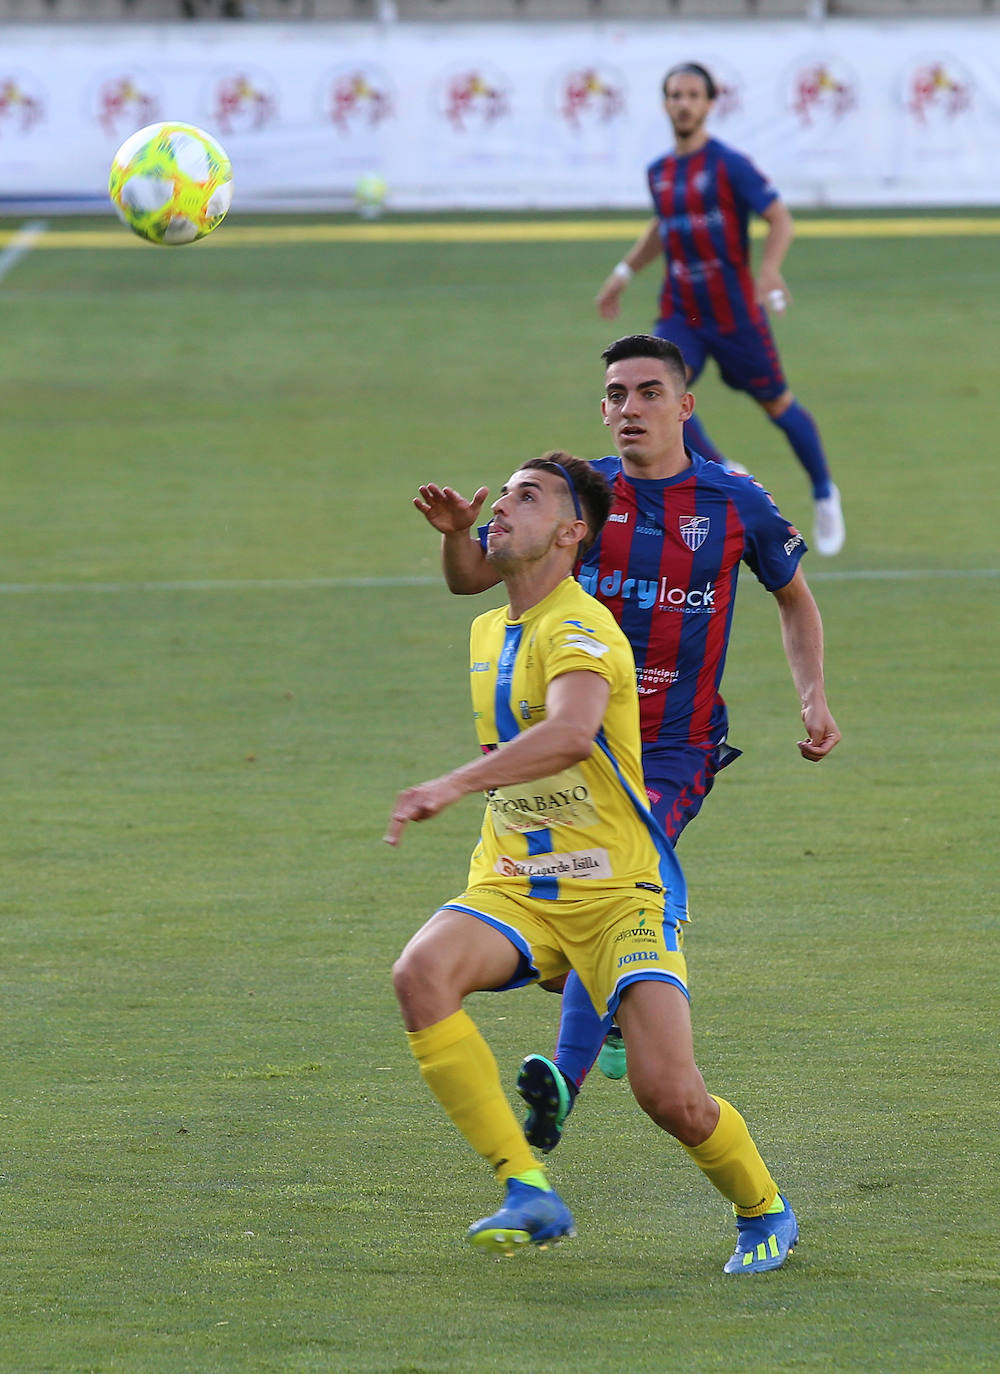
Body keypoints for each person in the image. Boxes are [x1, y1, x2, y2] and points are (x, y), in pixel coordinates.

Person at [414, 333, 840, 1154]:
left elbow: (794, 600)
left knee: (604, 879)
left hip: (673, 749)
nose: (628, 408)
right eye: (614, 395)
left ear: (686, 405)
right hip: (574, 744)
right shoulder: (573, 500)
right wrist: (459, 534)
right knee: (583, 903)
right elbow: (474, 578)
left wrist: (813, 696)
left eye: (648, 392)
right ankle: (619, 1003)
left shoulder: (734, 502)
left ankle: (559, 1091)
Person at [390, 451, 799, 1274]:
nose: (504, 505)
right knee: (419, 975)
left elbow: (574, 732)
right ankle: (526, 1189)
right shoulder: (492, 625)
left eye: (527, 496)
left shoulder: (581, 628)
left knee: (671, 1098)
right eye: (502, 493)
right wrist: (458, 538)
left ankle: (763, 1210)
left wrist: (454, 782)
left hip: (617, 895)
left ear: (573, 533)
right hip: (515, 883)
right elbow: (464, 581)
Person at [595, 61, 845, 557]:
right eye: (675, 95)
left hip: (735, 316)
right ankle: (723, 470)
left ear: (709, 104)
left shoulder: (729, 165)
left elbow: (779, 218)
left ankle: (824, 492)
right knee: (658, 391)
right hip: (681, 312)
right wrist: (623, 274)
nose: (683, 103)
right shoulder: (660, 172)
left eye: (693, 95)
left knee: (778, 406)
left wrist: (769, 269)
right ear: (666, 104)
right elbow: (663, 227)